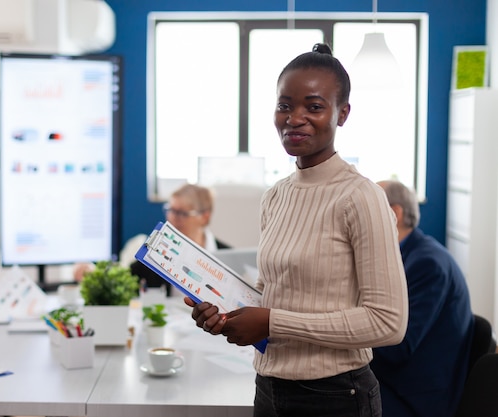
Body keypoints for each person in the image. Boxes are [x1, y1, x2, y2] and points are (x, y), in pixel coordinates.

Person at [185, 43, 408, 417]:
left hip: (336, 397)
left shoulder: (361, 196)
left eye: (314, 106)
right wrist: (224, 313)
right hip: (269, 389)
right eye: (285, 105)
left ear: (343, 113)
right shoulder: (276, 196)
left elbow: (388, 322)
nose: (295, 118)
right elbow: (273, 290)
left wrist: (272, 321)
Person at [371, 180, 474, 417]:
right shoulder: (409, 255)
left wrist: (344, 337)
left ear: (394, 214)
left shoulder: (427, 264)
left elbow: (400, 345)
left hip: (415, 396)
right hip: (401, 380)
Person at [74, 183, 230, 296]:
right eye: (170, 210)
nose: (173, 219)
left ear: (204, 217)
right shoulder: (157, 251)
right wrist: (94, 274)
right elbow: (125, 280)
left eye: (182, 213)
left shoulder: (228, 257)